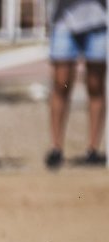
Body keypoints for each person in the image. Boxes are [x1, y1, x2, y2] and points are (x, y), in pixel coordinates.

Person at [45, 0, 107, 169]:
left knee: (95, 85)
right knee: (61, 84)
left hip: (98, 19)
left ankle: (93, 149)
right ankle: (56, 148)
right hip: (64, 20)